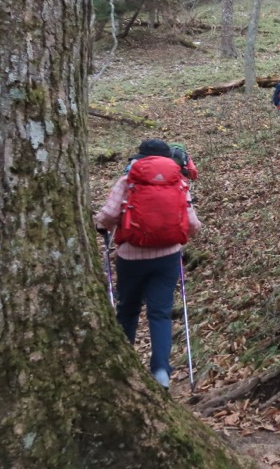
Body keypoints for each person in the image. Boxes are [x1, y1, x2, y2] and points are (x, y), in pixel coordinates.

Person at [95, 138, 201, 389]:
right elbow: (193, 225)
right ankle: (161, 371)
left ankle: (123, 365)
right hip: (168, 258)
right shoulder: (180, 182)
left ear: (139, 158)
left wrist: (100, 225)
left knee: (128, 309)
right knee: (160, 312)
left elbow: (109, 215)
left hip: (131, 256)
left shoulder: (128, 181)